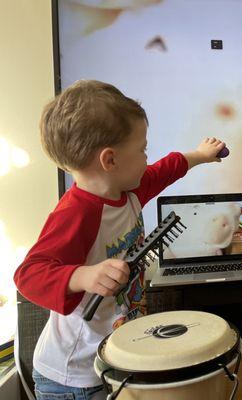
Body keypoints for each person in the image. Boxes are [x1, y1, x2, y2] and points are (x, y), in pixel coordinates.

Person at [13, 79, 226, 399]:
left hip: (113, 358)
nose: (146, 157)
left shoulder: (129, 192)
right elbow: (27, 275)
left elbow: (166, 169)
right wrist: (84, 275)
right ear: (110, 160)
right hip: (74, 378)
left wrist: (199, 154)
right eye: (142, 149)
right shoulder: (77, 214)